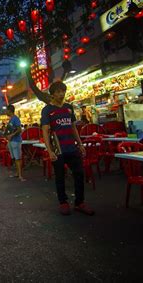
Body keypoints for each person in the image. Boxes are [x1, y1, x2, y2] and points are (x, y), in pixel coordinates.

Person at [41, 81, 95, 216]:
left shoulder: (68, 108)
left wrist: (80, 144)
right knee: (60, 176)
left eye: (63, 91)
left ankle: (79, 203)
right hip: (58, 150)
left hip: (72, 148)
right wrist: (50, 150)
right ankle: (63, 203)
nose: (61, 94)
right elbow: (45, 131)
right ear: (52, 94)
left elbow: (73, 127)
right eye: (58, 92)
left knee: (79, 174)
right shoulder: (47, 110)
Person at [5, 104, 25, 181]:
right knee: (14, 158)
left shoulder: (15, 119)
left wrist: (11, 135)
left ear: (10, 111)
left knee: (17, 158)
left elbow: (19, 129)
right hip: (12, 141)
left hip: (16, 141)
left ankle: (20, 176)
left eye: (7, 110)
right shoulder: (11, 119)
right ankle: (17, 173)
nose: (6, 112)